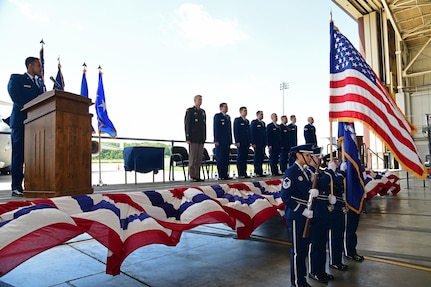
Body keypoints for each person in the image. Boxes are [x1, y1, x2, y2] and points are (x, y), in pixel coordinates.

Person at [7, 56, 45, 197]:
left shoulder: (40, 84)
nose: (41, 68)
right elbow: (16, 97)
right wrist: (32, 109)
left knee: (34, 155)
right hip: (21, 122)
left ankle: (32, 184)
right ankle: (16, 187)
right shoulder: (16, 79)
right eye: (38, 65)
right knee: (19, 155)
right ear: (30, 66)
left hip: (37, 125)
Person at [281, 144, 316, 287]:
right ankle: (296, 282)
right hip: (296, 216)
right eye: (307, 155)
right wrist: (302, 210)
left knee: (304, 250)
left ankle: (301, 279)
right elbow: (285, 196)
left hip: (306, 216)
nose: (309, 158)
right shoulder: (291, 172)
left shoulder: (306, 172)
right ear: (298, 155)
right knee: (297, 251)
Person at [326, 155, 349, 271]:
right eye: (333, 161)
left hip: (340, 207)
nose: (336, 162)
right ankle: (334, 261)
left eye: (336, 160)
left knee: (339, 235)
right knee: (334, 236)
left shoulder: (335, 174)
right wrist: (342, 173)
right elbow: (335, 182)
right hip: (332, 209)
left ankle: (338, 260)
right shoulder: (327, 174)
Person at [184, 95, 206, 182]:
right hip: (193, 138)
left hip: (200, 138)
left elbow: (203, 126)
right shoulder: (190, 111)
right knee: (193, 159)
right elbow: (187, 124)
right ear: (195, 101)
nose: (200, 101)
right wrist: (188, 137)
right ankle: (192, 176)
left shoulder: (202, 112)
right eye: (199, 99)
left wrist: (204, 137)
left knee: (199, 158)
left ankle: (197, 175)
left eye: (201, 99)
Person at [213, 103, 232, 180]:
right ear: (221, 108)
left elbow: (229, 130)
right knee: (220, 158)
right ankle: (221, 175)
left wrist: (230, 140)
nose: (226, 108)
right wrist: (216, 139)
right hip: (220, 141)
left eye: (227, 107)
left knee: (226, 158)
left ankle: (225, 174)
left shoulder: (227, 117)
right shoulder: (218, 116)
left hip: (227, 141)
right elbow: (216, 128)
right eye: (225, 107)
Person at [233, 106, 251, 178]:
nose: (246, 112)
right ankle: (240, 173)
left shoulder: (246, 121)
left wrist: (249, 141)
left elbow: (248, 132)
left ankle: (244, 172)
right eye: (244, 111)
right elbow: (236, 131)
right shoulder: (237, 120)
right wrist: (237, 141)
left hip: (246, 142)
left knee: (245, 158)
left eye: (246, 111)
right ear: (240, 112)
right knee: (240, 158)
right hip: (240, 142)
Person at [250, 111, 266, 177]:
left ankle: (260, 171)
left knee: (261, 157)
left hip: (262, 143)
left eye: (262, 114)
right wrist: (253, 142)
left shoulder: (263, 123)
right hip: (256, 143)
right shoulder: (254, 122)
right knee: (257, 157)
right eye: (261, 114)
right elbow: (252, 132)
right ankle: (257, 171)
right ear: (257, 115)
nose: (262, 115)